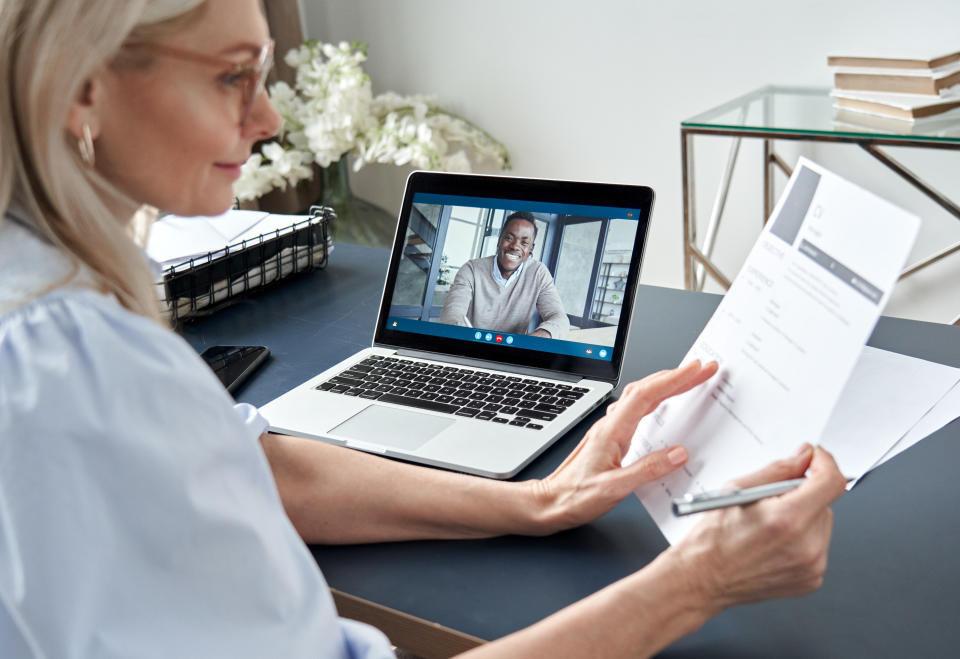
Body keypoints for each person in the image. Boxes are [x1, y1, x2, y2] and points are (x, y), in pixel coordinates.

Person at [0, 1, 848, 657]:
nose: (267, 121)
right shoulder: (73, 366)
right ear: (83, 84)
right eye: (233, 77)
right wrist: (699, 582)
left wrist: (535, 500)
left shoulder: (45, 299)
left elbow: (260, 461)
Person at [439, 211, 570, 338]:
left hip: (513, 354)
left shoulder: (539, 273)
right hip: (471, 348)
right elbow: (452, 315)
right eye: (509, 238)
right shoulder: (471, 270)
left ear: (531, 249)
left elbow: (559, 318)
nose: (514, 246)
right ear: (499, 240)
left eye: (524, 243)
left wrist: (541, 335)